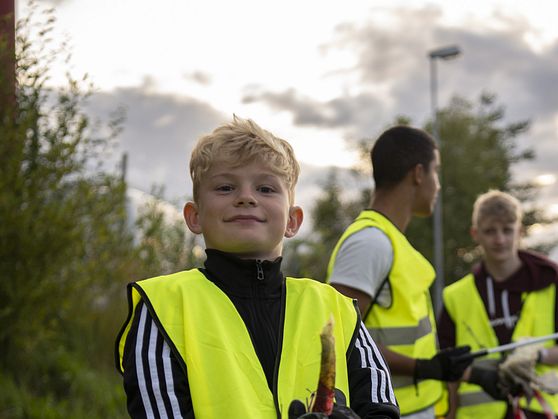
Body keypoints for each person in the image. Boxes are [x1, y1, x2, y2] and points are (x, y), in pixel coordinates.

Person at [114, 116, 399, 419]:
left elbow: (381, 410)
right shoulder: (162, 307)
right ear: (194, 216)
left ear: (292, 220)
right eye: (225, 187)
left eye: (265, 188)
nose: (246, 197)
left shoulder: (337, 310)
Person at [326, 126, 474, 419]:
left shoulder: (388, 240)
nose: (439, 185)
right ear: (418, 173)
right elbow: (338, 336)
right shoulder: (370, 242)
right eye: (436, 172)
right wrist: (424, 368)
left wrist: (441, 366)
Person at [438, 190, 558, 419]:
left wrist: (538, 355)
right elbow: (446, 367)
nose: (499, 239)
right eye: (490, 231)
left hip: (540, 412)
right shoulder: (455, 295)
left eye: (507, 230)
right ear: (475, 234)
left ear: (520, 232)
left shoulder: (551, 279)